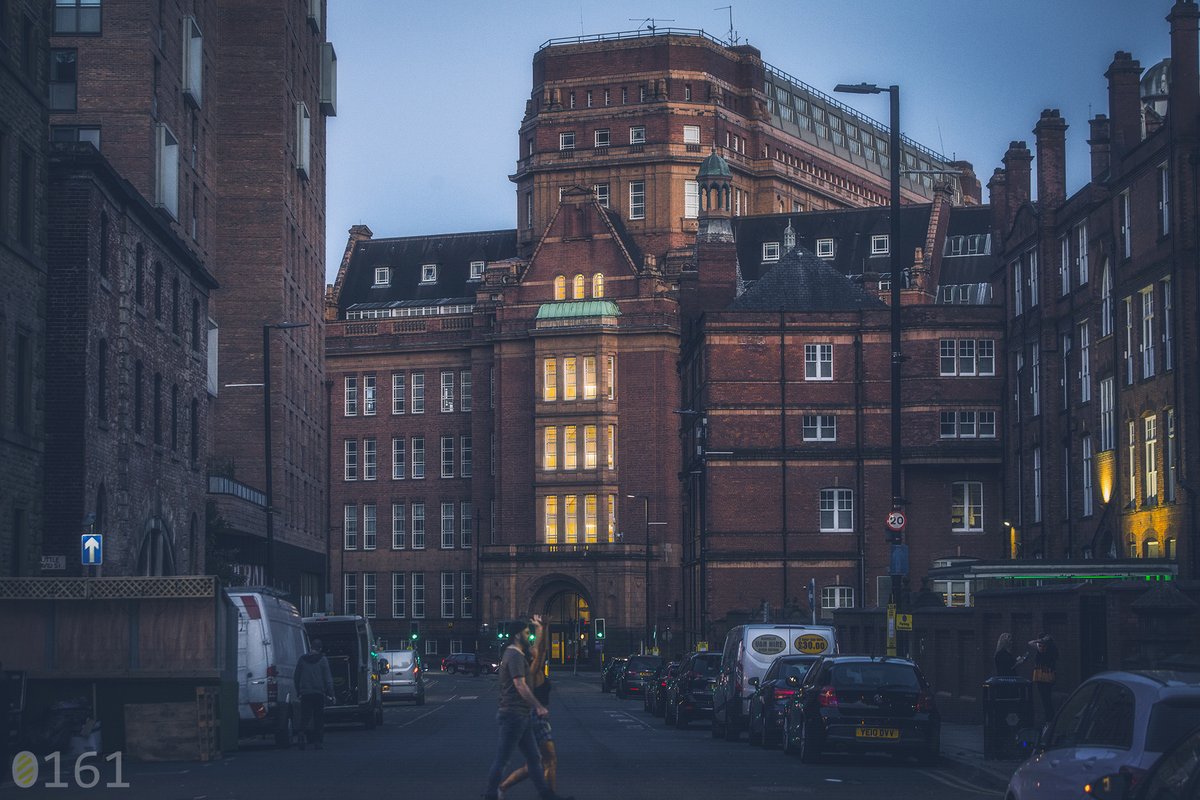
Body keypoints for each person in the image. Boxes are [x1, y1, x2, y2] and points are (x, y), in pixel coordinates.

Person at [483, 617, 573, 800]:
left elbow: (539, 651)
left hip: (521, 715)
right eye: (526, 633)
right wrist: (538, 706)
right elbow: (520, 684)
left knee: (534, 759)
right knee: (502, 759)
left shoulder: (517, 654)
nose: (528, 636)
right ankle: (491, 794)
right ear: (517, 635)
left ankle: (547, 795)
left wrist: (540, 629)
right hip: (513, 714)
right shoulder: (514, 655)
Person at [500, 615, 557, 794]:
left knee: (535, 763)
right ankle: (550, 795)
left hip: (535, 716)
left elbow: (542, 651)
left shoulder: (536, 666)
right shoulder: (533, 670)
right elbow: (541, 651)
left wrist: (542, 629)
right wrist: (542, 629)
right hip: (534, 716)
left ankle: (502, 787)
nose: (533, 648)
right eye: (531, 648)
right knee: (549, 759)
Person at [294, 638, 334, 750]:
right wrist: (331, 693)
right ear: (320, 649)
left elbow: (296, 677)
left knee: (305, 716)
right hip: (318, 693)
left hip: (305, 693)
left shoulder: (302, 659)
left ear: (311, 648)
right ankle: (317, 741)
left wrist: (298, 691)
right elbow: (328, 678)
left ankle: (301, 734)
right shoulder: (323, 660)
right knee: (318, 717)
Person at [1029, 634, 1059, 722]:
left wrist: (1039, 641)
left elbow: (1046, 640)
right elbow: (1030, 643)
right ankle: (1049, 718)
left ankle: (1050, 719)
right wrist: (1039, 642)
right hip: (1041, 678)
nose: (1040, 647)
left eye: (1042, 645)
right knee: (1045, 700)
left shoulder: (1049, 651)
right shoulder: (1046, 650)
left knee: (1047, 700)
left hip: (1045, 678)